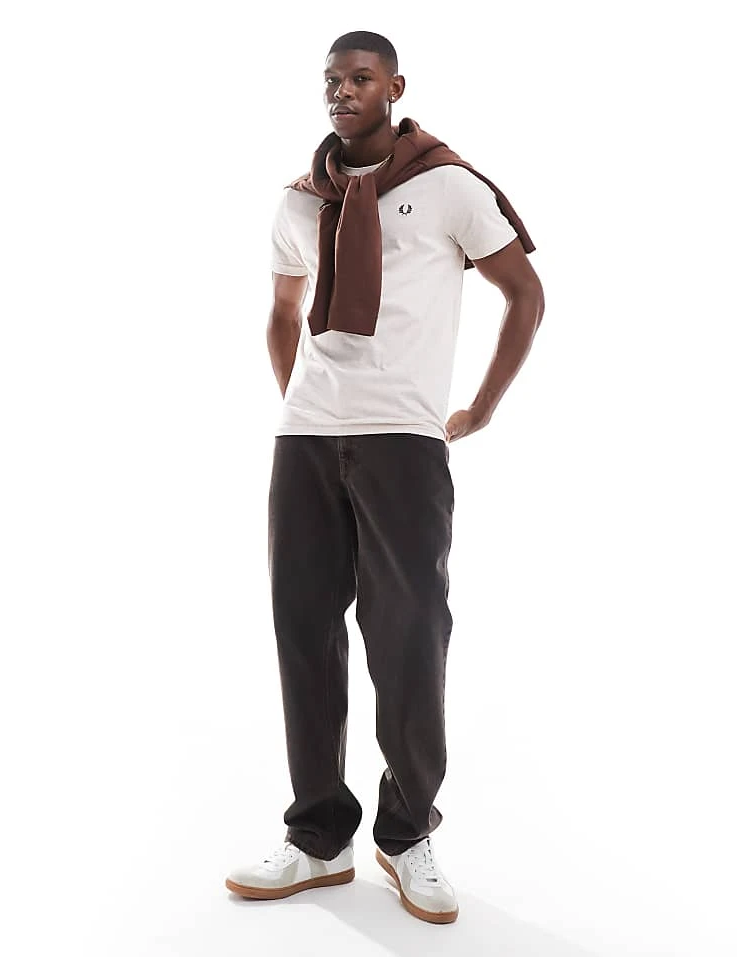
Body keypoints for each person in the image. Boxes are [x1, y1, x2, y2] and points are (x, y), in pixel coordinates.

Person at [225, 30, 544, 924]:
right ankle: (318, 836)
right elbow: (281, 310)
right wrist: (303, 404)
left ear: (395, 87)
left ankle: (406, 835)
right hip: (306, 440)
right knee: (303, 630)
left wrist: (481, 407)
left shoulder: (449, 185)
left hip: (404, 438)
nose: (343, 91)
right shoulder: (299, 199)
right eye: (332, 80)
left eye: (360, 78)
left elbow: (525, 294)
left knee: (408, 636)